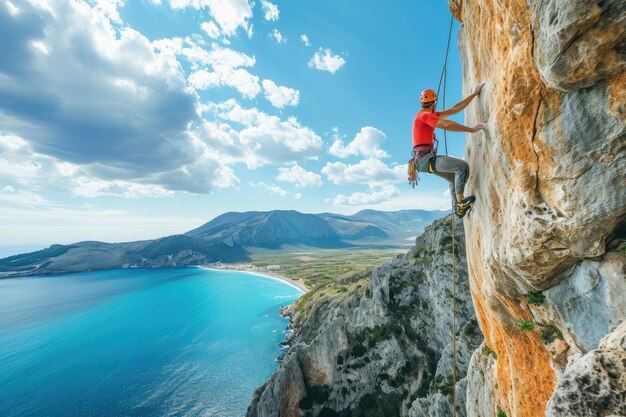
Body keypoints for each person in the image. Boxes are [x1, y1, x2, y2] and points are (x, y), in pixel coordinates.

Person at [412, 83, 485, 218]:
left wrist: (474, 95)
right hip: (426, 159)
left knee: (452, 177)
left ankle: (459, 208)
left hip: (423, 162)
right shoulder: (425, 116)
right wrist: (471, 129)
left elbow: (455, 109)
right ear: (434, 102)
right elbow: (446, 124)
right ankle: (461, 202)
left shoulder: (427, 115)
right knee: (462, 167)